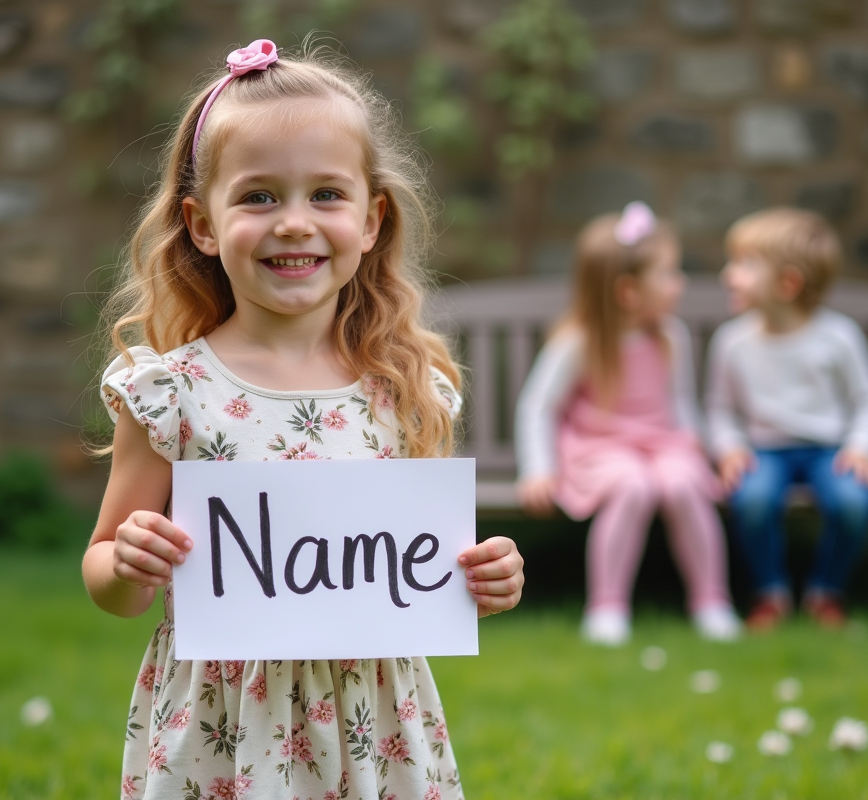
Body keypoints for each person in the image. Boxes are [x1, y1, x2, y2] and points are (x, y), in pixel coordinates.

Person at [82, 41, 524, 800]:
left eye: (326, 194)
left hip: (374, 715)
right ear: (202, 224)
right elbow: (107, 577)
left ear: (372, 219)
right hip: (225, 723)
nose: (294, 223)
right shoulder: (171, 394)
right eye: (258, 197)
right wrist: (127, 563)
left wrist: (489, 577)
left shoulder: (405, 390)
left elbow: (424, 563)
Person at [514, 202, 741, 646]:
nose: (681, 284)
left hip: (664, 444)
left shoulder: (670, 336)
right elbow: (538, 407)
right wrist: (538, 469)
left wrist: (709, 452)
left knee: (682, 484)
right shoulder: (578, 342)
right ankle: (607, 606)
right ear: (629, 292)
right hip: (601, 448)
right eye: (670, 274)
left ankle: (711, 600)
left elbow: (682, 405)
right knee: (633, 486)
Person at [706, 207, 868, 630]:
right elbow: (721, 409)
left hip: (828, 450)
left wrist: (862, 446)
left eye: (744, 264)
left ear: (788, 283)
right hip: (765, 451)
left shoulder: (838, 337)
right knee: (751, 499)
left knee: (852, 502)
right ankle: (771, 592)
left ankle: (826, 590)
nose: (728, 275)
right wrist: (730, 447)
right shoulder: (732, 342)